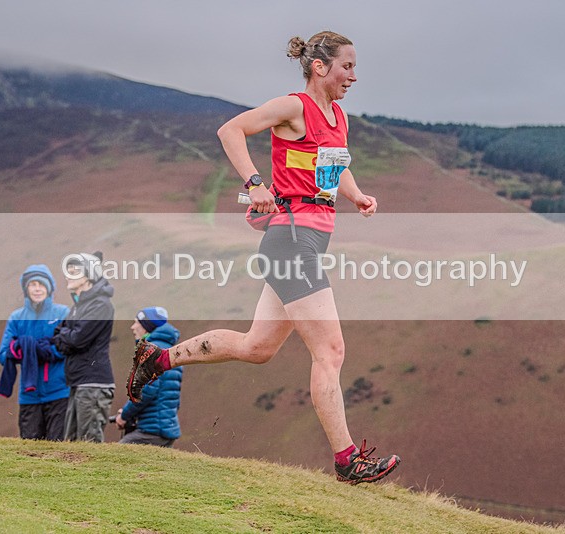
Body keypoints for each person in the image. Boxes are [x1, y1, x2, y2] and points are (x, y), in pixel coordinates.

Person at [128, 31, 400, 484]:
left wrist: (355, 195)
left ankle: (157, 360)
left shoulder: (338, 117)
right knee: (331, 351)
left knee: (257, 348)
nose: (354, 76)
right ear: (320, 67)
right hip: (291, 241)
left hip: (307, 240)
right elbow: (230, 130)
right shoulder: (293, 107)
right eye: (347, 66)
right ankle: (346, 460)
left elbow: (335, 164)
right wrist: (255, 183)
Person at [0, 264, 69, 440]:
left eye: (42, 284)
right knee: (30, 448)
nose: (37, 289)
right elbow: (3, 355)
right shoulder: (16, 318)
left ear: (49, 288)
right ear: (26, 289)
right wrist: (21, 350)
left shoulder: (63, 313)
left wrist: (44, 351)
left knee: (58, 447)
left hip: (59, 392)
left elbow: (68, 348)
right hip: (29, 396)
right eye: (33, 285)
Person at [51, 251, 116, 443]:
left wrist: (66, 336)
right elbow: (58, 336)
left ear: (88, 275)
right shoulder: (78, 307)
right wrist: (67, 336)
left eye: (74, 272)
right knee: (71, 444)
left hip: (93, 384)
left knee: (89, 445)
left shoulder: (101, 305)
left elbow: (77, 339)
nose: (68, 276)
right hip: (78, 382)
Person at [115, 307, 183, 447]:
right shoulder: (171, 352)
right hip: (165, 428)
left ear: (146, 327)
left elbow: (145, 392)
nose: (133, 327)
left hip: (151, 432)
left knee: (115, 454)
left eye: (136, 322)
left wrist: (124, 416)